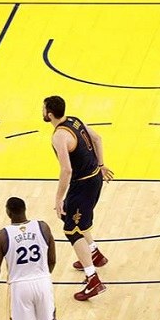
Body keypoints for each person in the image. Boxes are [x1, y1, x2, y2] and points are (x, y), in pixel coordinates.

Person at [42, 95, 114, 301]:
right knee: (72, 218)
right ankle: (94, 254)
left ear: (49, 114)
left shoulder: (59, 136)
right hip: (94, 178)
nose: (42, 111)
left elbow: (66, 170)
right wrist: (101, 165)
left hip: (83, 185)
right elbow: (97, 139)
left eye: (43, 108)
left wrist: (58, 198)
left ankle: (93, 280)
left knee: (72, 230)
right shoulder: (74, 120)